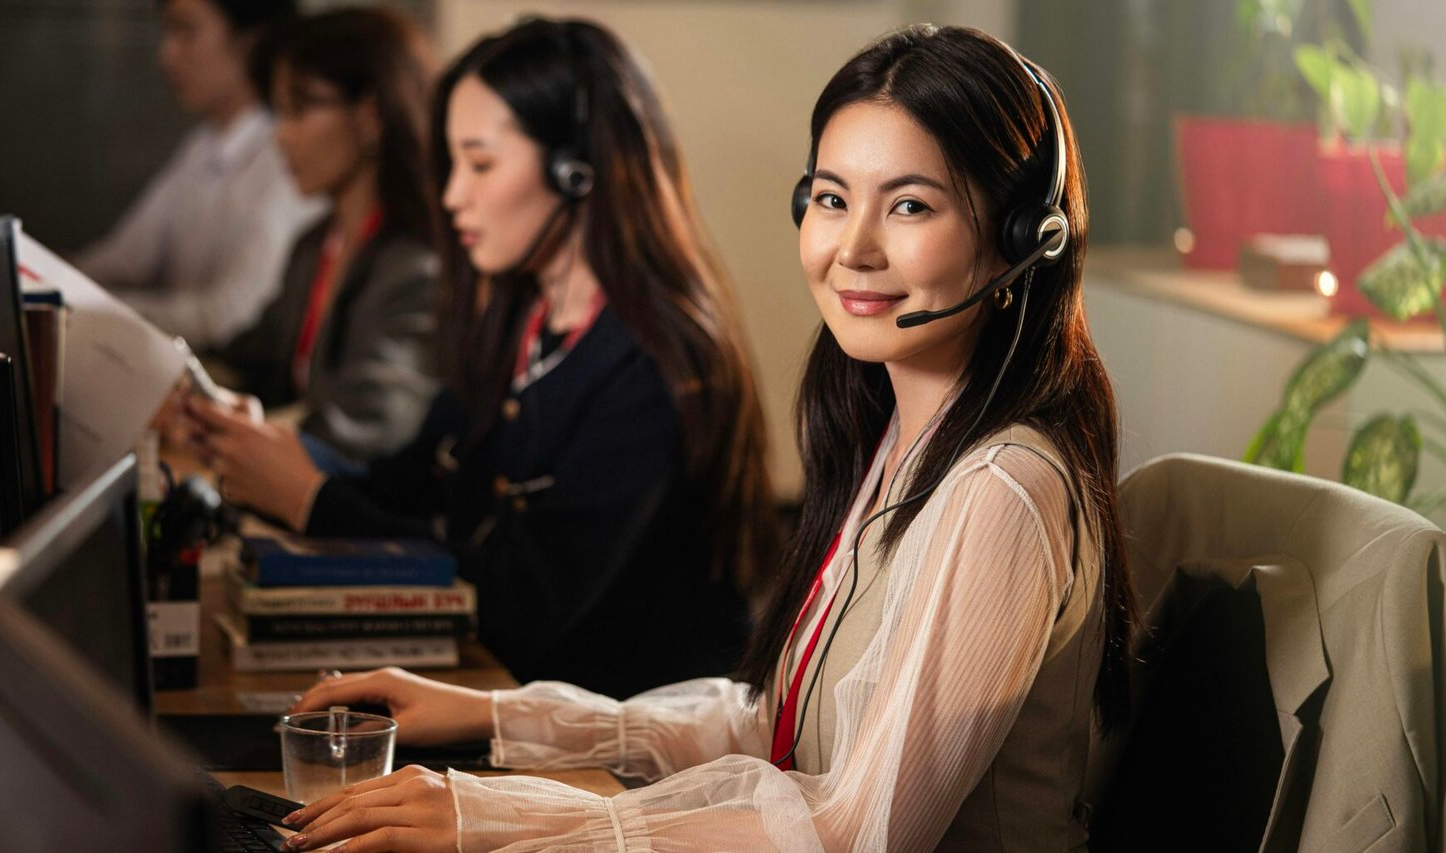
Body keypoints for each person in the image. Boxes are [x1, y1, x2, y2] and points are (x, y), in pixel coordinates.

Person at [271, 23, 1137, 852]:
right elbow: (774, 723)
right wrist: (494, 715)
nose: (853, 247)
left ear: (1028, 239)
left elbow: (858, 832)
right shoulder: (894, 447)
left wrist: (500, 816)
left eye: (910, 205)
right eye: (831, 199)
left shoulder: (1001, 486)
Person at [188, 18, 776, 700]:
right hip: (515, 703)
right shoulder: (517, 318)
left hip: (621, 754)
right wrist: (277, 457)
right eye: (453, 163)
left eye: (481, 163)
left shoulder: (655, 366)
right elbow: (406, 485)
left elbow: (523, 604)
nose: (451, 195)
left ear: (574, 168)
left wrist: (316, 501)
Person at [212, 8, 440, 465]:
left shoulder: (416, 260)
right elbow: (253, 359)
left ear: (372, 116)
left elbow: (371, 420)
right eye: (278, 113)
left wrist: (245, 437)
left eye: (300, 109)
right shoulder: (316, 244)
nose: (281, 137)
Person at [77, 0, 322, 350]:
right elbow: (125, 258)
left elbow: (232, 316)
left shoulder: (287, 160)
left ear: (249, 42)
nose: (168, 54)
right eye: (168, 32)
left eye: (187, 31)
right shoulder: (202, 146)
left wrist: (88, 308)